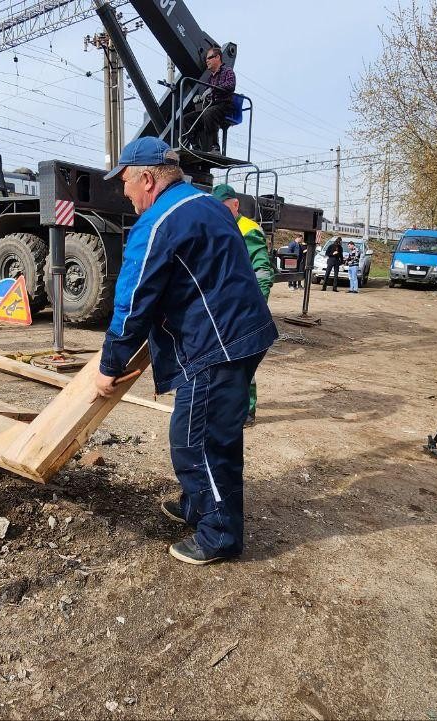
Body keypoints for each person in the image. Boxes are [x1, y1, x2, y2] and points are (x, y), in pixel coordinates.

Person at [95, 136, 278, 565]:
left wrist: (109, 364)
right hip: (241, 333)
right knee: (211, 430)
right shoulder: (206, 204)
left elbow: (133, 297)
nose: (123, 191)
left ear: (146, 179)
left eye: (125, 181)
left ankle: (219, 535)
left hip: (218, 344)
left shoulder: (159, 221)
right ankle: (198, 505)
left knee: (196, 440)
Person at [212, 184, 272, 426]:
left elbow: (262, 272)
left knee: (243, 359)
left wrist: (257, 307)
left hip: (245, 309)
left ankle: (247, 410)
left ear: (235, 204)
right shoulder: (220, 227)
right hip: (225, 307)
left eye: (224, 207)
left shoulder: (248, 230)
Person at [181, 46, 236, 154]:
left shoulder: (227, 71)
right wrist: (200, 98)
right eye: (206, 59)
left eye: (209, 58)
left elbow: (231, 85)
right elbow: (207, 92)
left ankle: (215, 148)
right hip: (211, 106)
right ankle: (196, 148)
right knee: (187, 119)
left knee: (209, 113)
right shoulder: (211, 78)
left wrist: (214, 88)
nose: (207, 61)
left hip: (224, 105)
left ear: (217, 57)